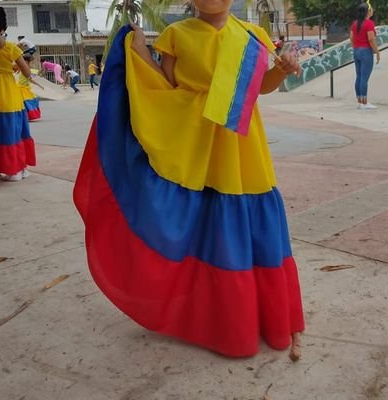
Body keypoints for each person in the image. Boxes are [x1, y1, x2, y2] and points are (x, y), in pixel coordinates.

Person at [74, 0, 304, 358]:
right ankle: (220, 320)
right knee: (208, 226)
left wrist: (284, 70)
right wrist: (138, 52)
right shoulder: (175, 34)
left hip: (242, 144)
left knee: (251, 219)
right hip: (194, 141)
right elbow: (165, 87)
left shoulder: (252, 35)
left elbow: (260, 88)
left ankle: (260, 316)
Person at [0, 3, 36, 183]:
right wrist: (24, 72)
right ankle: (15, 170)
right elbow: (26, 71)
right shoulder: (10, 48)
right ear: (0, 27)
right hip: (7, 94)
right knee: (11, 129)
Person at [350, 1, 380, 109]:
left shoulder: (354, 23)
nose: (372, 10)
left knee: (359, 76)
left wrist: (356, 48)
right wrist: (377, 52)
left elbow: (352, 38)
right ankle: (364, 103)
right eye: (371, 9)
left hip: (356, 51)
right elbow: (371, 39)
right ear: (368, 11)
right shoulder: (369, 23)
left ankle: (359, 101)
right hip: (366, 51)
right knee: (364, 78)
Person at [17, 54, 44, 121]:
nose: (32, 63)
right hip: (22, 89)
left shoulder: (26, 69)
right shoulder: (25, 69)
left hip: (26, 88)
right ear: (26, 62)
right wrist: (39, 85)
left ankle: (25, 116)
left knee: (31, 101)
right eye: (31, 62)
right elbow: (30, 79)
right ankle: (25, 116)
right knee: (27, 102)